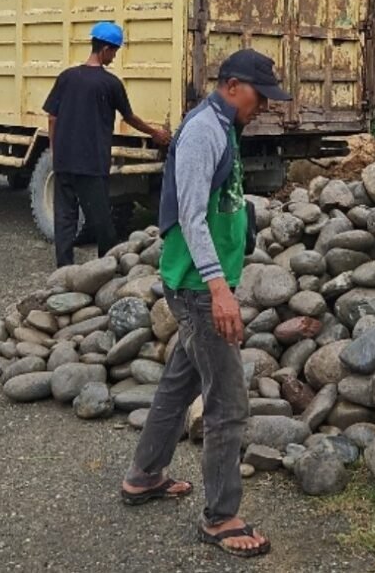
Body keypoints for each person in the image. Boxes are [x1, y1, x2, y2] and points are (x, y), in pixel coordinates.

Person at [120, 49, 292, 560]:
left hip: (201, 281)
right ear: (235, 85)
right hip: (197, 286)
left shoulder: (224, 125)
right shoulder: (203, 131)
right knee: (228, 404)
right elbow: (192, 216)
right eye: (260, 97)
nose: (262, 106)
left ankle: (144, 476)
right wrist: (219, 288)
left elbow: (222, 201)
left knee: (179, 383)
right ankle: (221, 518)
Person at [43, 21, 172, 268]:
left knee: (65, 218)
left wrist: (55, 150)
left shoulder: (67, 77)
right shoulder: (110, 83)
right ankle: (108, 268)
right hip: (91, 163)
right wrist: (155, 133)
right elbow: (130, 118)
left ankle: (64, 269)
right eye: (114, 52)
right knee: (101, 219)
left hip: (64, 162)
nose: (113, 57)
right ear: (105, 50)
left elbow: (52, 117)